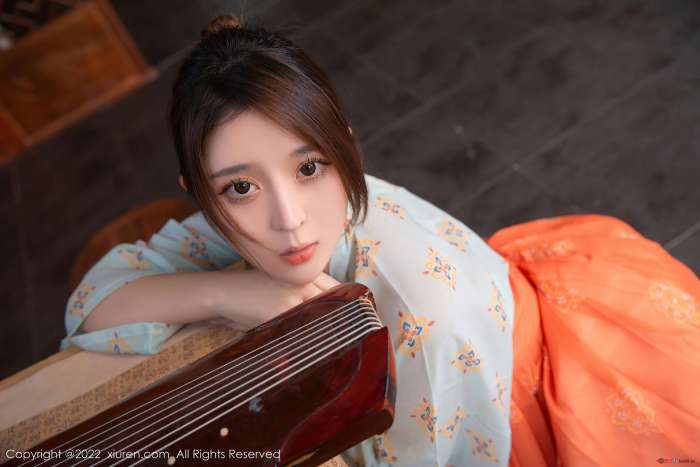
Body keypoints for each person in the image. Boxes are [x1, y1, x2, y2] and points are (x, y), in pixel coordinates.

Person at [61, 15, 700, 467]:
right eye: (240, 188)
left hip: (505, 400)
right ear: (200, 194)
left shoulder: (422, 313)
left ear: (343, 143)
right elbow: (96, 299)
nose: (290, 220)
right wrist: (230, 291)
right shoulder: (271, 210)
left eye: (308, 167)